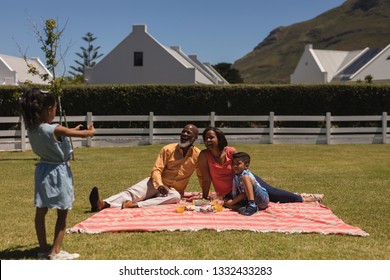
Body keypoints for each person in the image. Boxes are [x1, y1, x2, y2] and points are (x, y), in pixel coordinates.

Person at [19, 88, 96, 260]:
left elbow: (59, 132)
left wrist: (71, 129)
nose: (55, 112)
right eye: (54, 109)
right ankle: (55, 252)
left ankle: (43, 248)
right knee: (62, 211)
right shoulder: (55, 129)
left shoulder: (33, 128)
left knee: (41, 210)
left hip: (42, 170)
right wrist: (90, 131)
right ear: (48, 109)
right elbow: (82, 134)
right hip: (59, 172)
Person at [89, 124, 202, 211]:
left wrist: (205, 195)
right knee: (132, 192)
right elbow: (157, 169)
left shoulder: (198, 155)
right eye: (183, 132)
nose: (185, 134)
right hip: (156, 183)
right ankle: (103, 204)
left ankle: (135, 205)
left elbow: (202, 175)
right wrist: (159, 185)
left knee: (176, 197)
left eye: (189, 133)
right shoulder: (168, 149)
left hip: (173, 191)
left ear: (195, 138)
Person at [197, 126, 324, 203]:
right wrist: (204, 198)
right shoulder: (204, 155)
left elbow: (243, 172)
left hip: (245, 184)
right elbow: (207, 178)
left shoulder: (231, 152)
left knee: (273, 193)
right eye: (206, 138)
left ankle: (302, 198)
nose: (208, 140)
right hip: (229, 193)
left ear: (219, 138)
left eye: (211, 137)